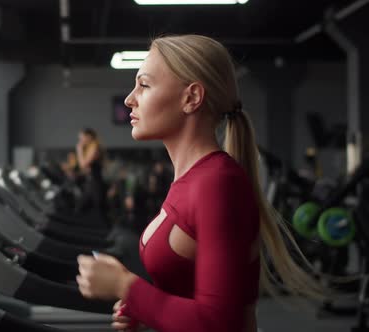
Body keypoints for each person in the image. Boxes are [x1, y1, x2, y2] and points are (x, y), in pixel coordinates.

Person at [76, 35, 325, 332]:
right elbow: (191, 295)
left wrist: (126, 286)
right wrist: (146, 308)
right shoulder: (192, 179)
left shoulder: (217, 183)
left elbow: (220, 323)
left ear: (191, 98)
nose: (130, 98)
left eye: (143, 84)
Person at [74, 128, 107, 220]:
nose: (80, 141)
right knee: (84, 208)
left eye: (82, 138)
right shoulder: (91, 148)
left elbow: (83, 164)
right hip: (92, 182)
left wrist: (79, 150)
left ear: (89, 137)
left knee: (98, 210)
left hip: (96, 183)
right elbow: (86, 168)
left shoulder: (95, 147)